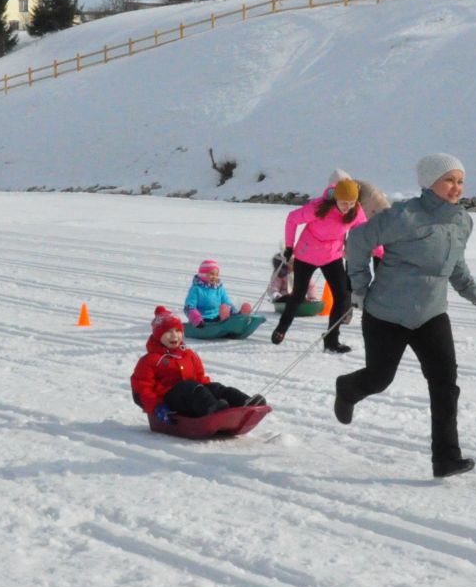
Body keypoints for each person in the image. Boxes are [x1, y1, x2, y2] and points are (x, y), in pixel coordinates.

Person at [334, 152, 476, 479]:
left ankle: (446, 458)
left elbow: (455, 262)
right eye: (449, 180)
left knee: (445, 384)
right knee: (379, 378)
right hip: (387, 314)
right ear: (429, 182)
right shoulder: (403, 216)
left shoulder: (462, 221)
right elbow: (359, 241)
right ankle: (348, 389)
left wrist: (470, 290)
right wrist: (359, 287)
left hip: (432, 314)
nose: (456, 187)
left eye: (460, 181)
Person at [273, 172, 369, 352]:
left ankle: (331, 341)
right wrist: (289, 246)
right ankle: (282, 328)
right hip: (306, 255)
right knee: (298, 295)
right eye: (343, 203)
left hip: (331, 257)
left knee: (342, 296)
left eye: (351, 203)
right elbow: (292, 219)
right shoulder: (318, 207)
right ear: (336, 199)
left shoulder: (356, 211)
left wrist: (380, 252)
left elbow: (363, 232)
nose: (347, 207)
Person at [130, 308, 262, 420]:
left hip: (192, 397)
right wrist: (156, 406)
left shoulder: (189, 355)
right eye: (168, 332)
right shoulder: (150, 360)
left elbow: (200, 378)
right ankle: (213, 410)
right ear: (159, 335)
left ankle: (245, 403)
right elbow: (141, 390)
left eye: (177, 331)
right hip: (169, 402)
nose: (174, 336)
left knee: (215, 387)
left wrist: (210, 389)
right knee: (191, 386)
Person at [184, 259, 254, 326]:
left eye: (216, 274)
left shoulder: (219, 288)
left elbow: (227, 302)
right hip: (202, 320)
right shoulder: (196, 289)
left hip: (218, 317)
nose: (214, 277)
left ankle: (240, 318)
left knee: (225, 307)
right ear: (203, 274)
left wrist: (233, 312)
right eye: (211, 274)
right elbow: (189, 307)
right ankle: (226, 324)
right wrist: (196, 318)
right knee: (223, 311)